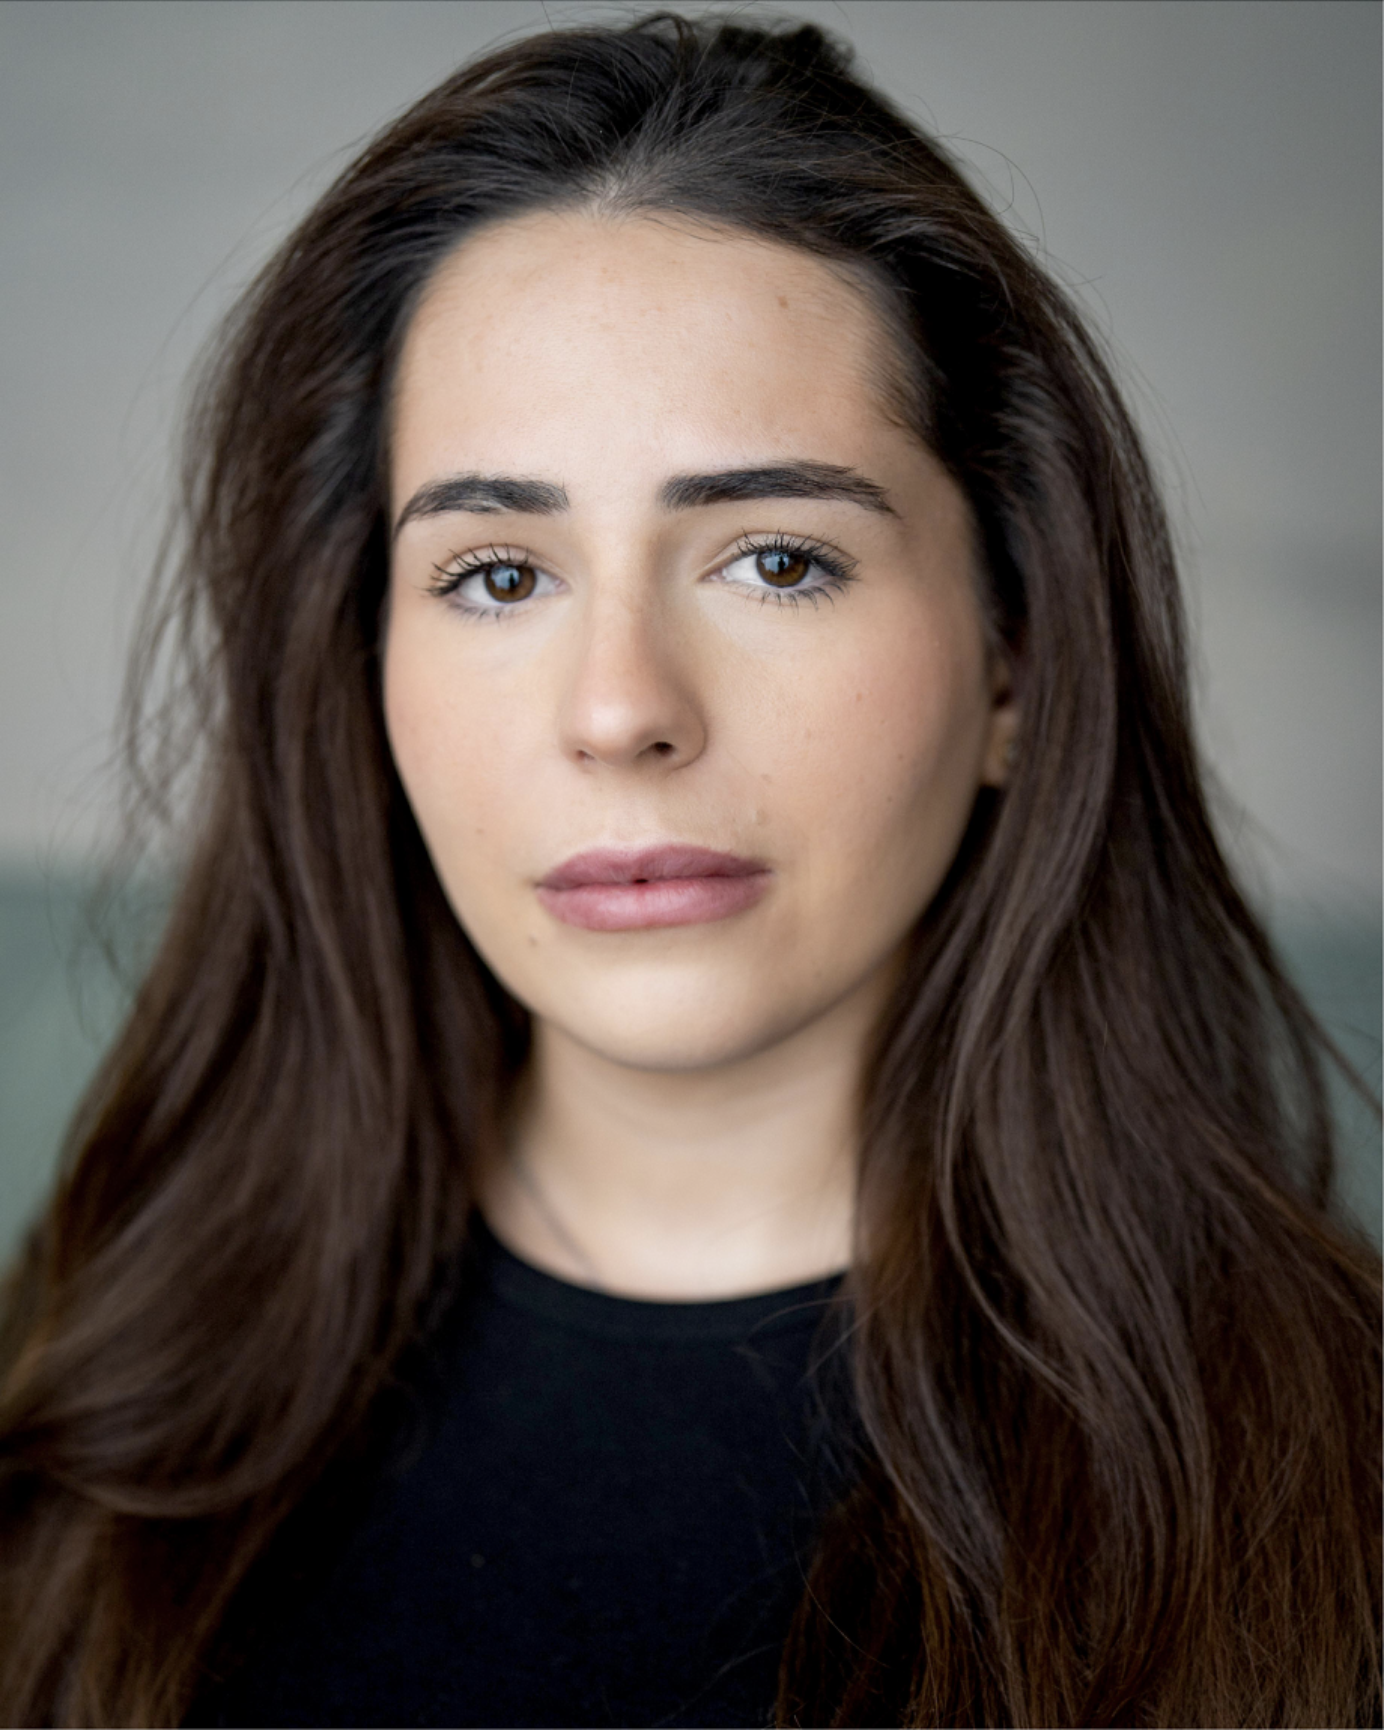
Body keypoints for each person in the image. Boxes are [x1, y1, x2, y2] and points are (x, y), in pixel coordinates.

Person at [0, 12, 1378, 1728]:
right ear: (359, 663)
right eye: (499, 574)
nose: (621, 710)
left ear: (1015, 661)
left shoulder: (1338, 1475)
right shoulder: (99, 1366)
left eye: (778, 558)